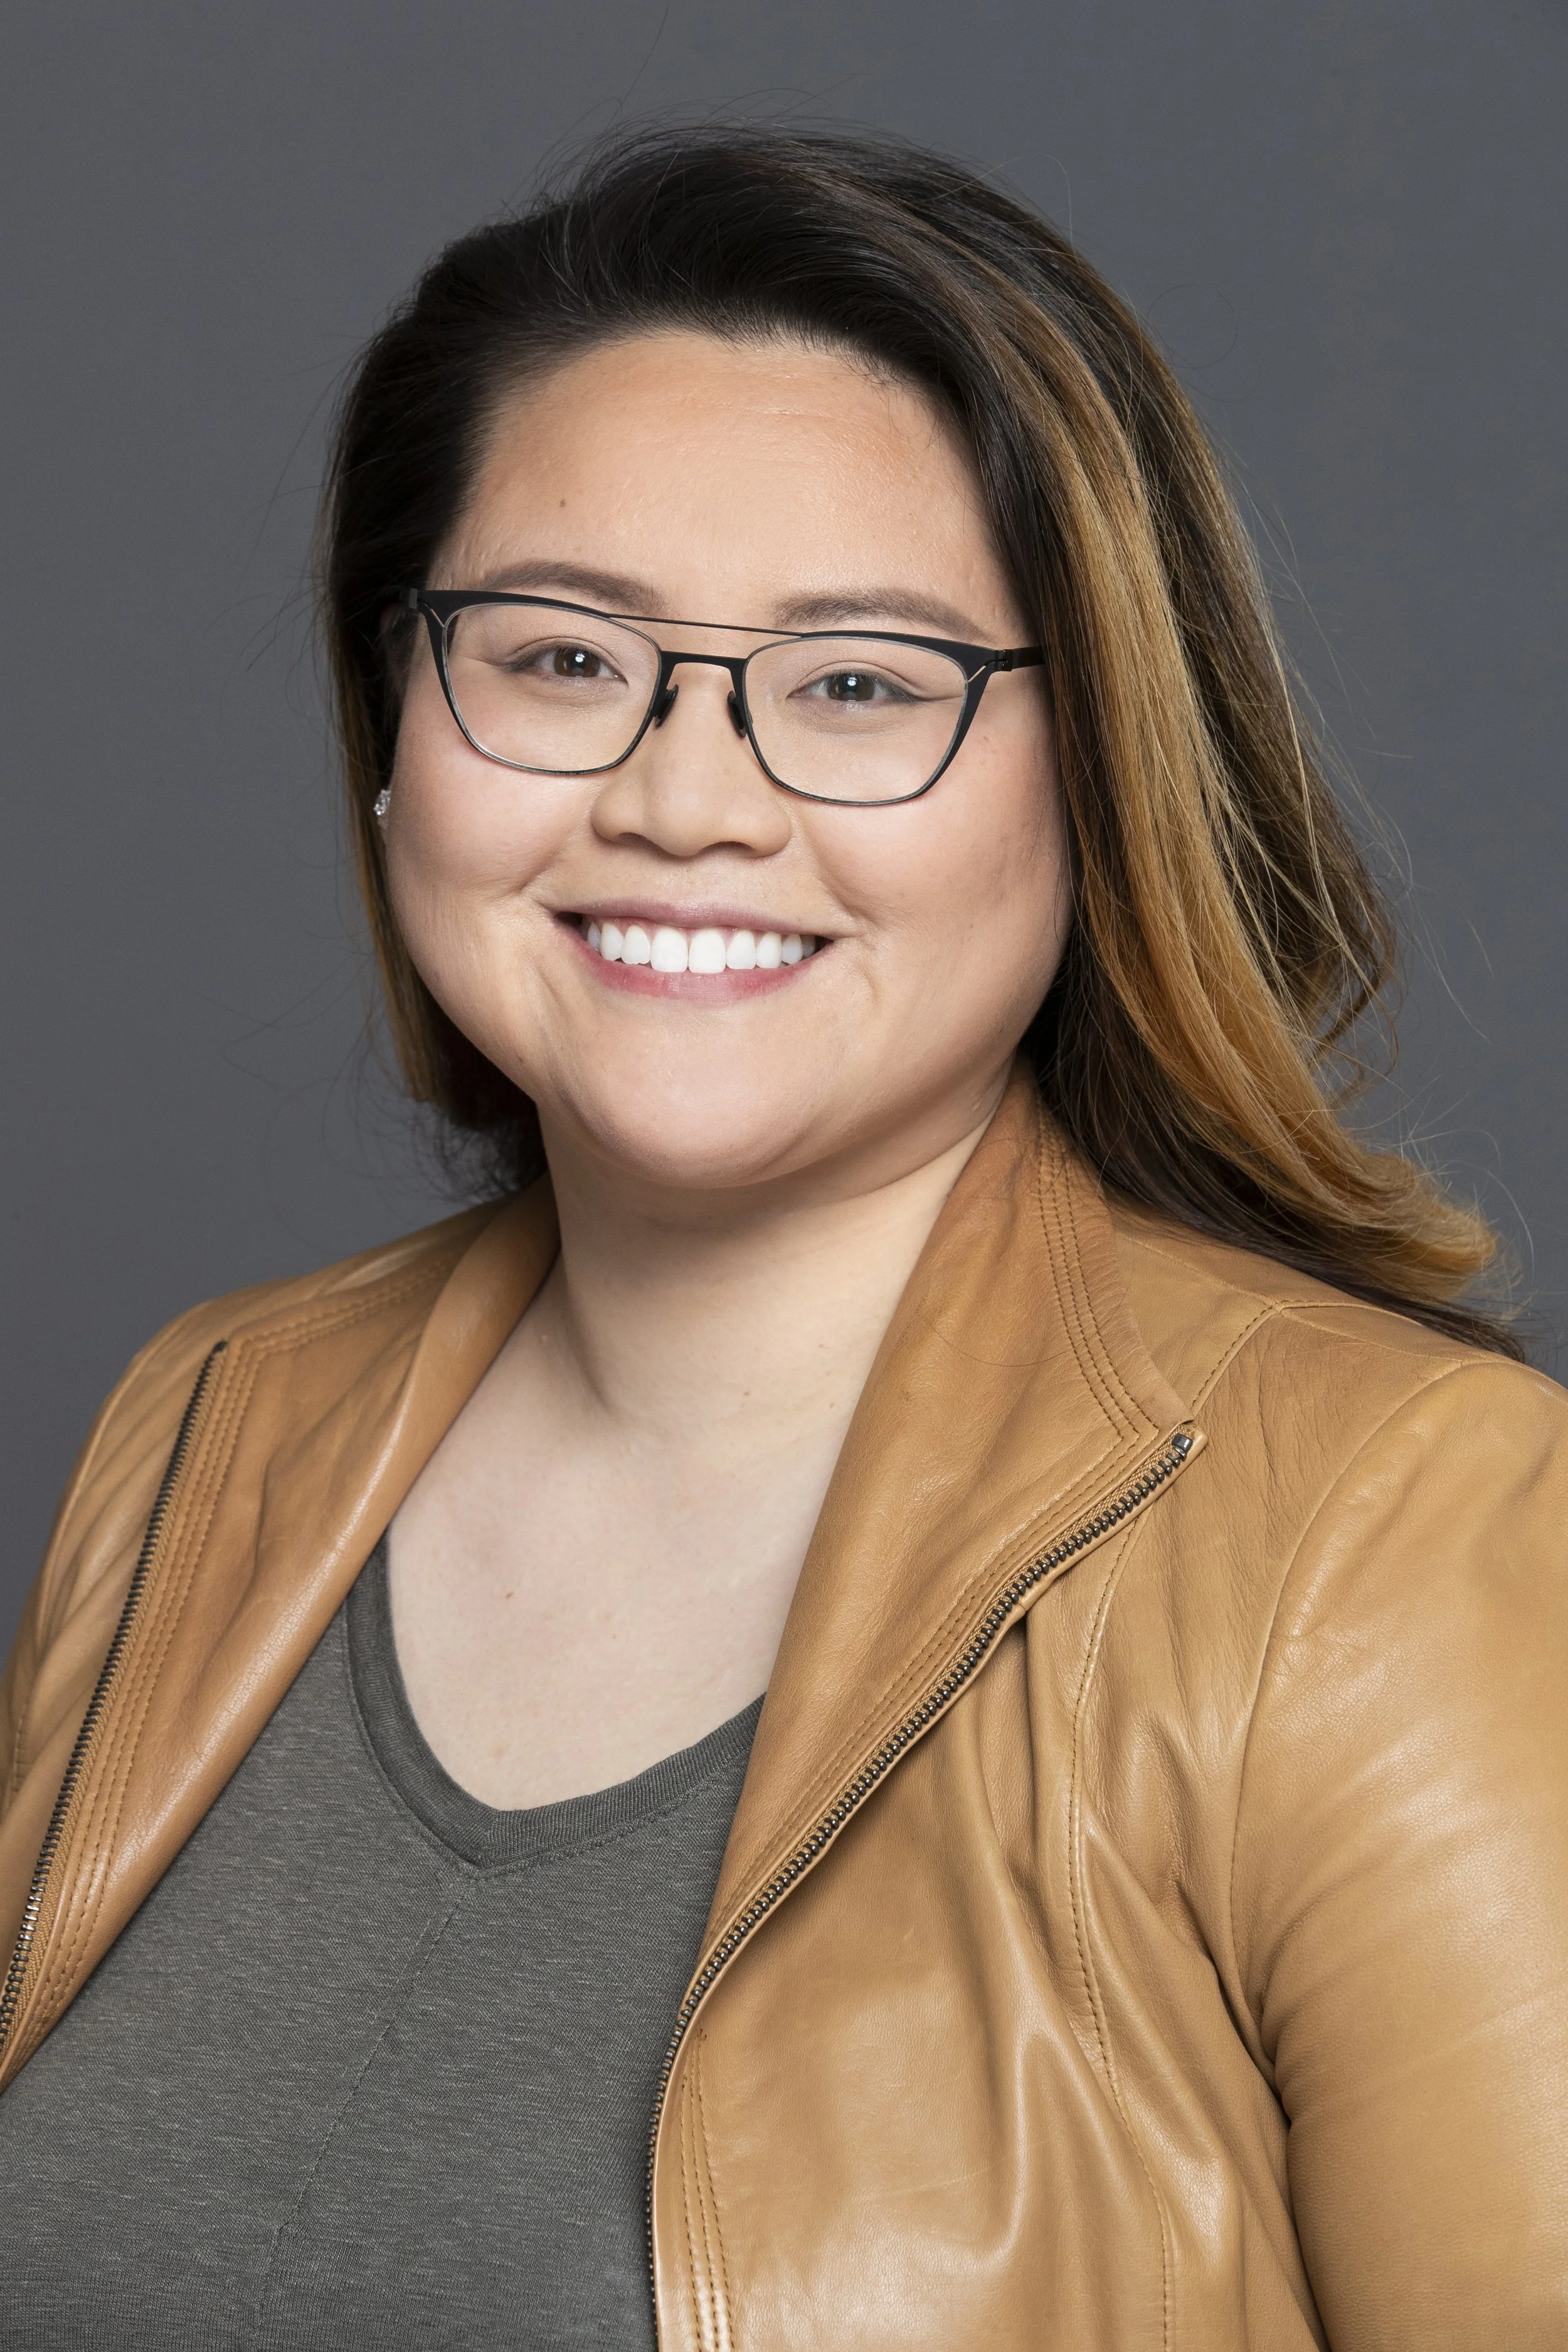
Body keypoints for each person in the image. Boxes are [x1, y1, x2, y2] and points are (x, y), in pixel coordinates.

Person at [1, 122, 1563, 2352]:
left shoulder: (1388, 1534)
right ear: (395, 729)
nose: (685, 795)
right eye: (556, 659)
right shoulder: (206, 1427)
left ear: (1092, 774)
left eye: (857, 684)